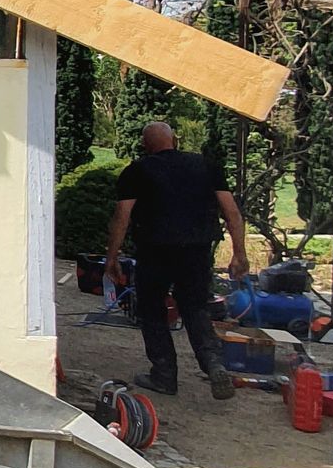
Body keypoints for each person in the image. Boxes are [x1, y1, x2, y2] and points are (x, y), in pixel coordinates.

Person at [105, 121, 248, 399]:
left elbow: (122, 217)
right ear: (175, 141)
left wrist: (112, 257)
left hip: (154, 250)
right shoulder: (206, 166)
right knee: (196, 307)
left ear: (146, 145)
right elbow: (232, 212)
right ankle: (214, 363)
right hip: (196, 250)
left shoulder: (137, 170)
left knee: (152, 310)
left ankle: (164, 374)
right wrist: (239, 253)